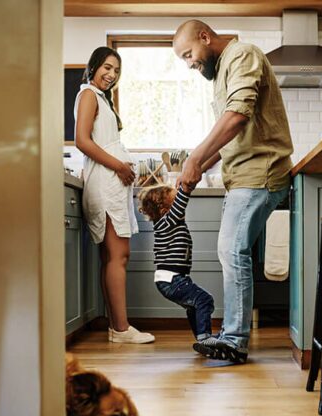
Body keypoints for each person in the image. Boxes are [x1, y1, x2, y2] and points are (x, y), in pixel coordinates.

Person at [172, 20, 293, 363]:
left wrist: (196, 157)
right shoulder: (223, 69)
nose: (190, 63)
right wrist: (200, 167)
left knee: (231, 249)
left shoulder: (242, 54)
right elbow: (231, 134)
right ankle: (233, 336)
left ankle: (235, 340)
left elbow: (238, 116)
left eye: (189, 54)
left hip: (260, 173)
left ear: (205, 38)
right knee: (231, 250)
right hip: (241, 176)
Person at [74, 46, 154, 344]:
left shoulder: (100, 99)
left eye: (116, 71)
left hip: (110, 183)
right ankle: (121, 329)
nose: (111, 75)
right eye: (107, 67)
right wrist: (119, 166)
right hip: (106, 183)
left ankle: (116, 327)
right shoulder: (88, 95)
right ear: (93, 66)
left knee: (112, 256)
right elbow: (82, 140)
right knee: (119, 256)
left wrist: (123, 167)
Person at [138, 184, 216, 346]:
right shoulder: (167, 222)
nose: (181, 211)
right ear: (165, 209)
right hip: (172, 280)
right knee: (204, 300)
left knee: (194, 306)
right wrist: (186, 187)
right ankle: (205, 338)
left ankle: (202, 338)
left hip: (173, 279)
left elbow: (179, 205)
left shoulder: (168, 224)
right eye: (175, 204)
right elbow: (182, 202)